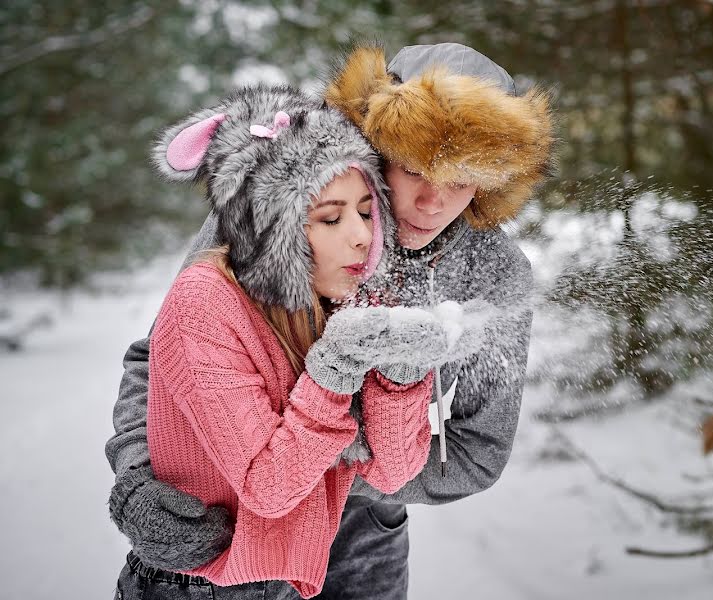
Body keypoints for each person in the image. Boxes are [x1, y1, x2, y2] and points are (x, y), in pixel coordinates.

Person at [106, 43, 555, 599]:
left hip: (365, 532)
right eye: (414, 169)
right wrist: (135, 474)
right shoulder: (280, 212)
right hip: (231, 528)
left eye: (462, 180)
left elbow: (476, 452)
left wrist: (333, 469)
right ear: (373, 145)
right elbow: (162, 357)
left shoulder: (493, 273)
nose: (432, 202)